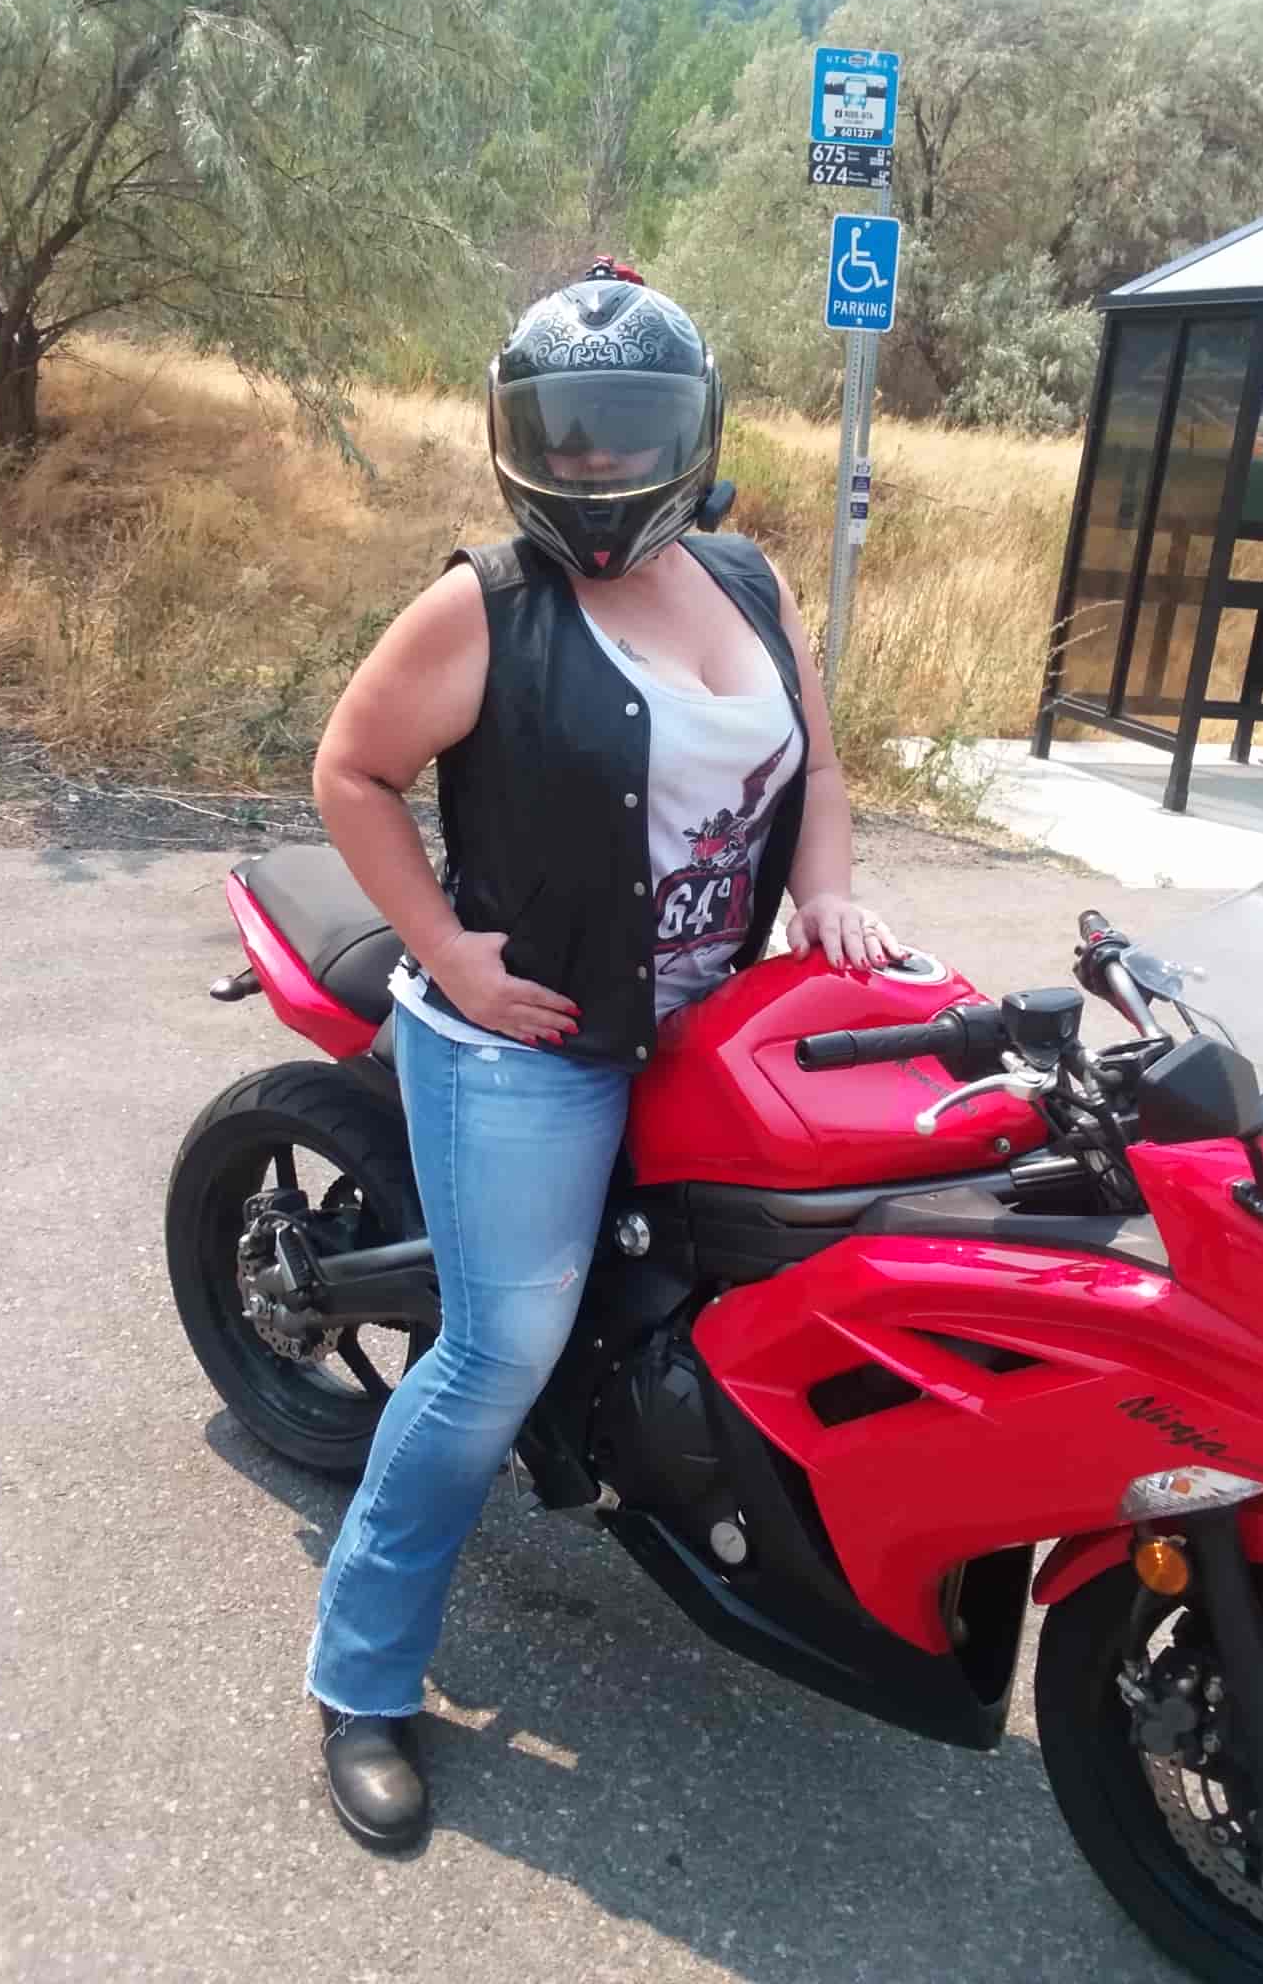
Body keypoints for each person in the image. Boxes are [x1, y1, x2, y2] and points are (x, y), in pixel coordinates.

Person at [305, 262, 906, 1850]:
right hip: (537, 1038)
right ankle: (362, 1676)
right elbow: (352, 770)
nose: (588, 463)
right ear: (517, 439)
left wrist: (829, 894)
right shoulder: (484, 606)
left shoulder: (755, 584)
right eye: (558, 433)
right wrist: (447, 955)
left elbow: (822, 769)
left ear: (693, 434)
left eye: (620, 431)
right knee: (496, 1352)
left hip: (717, 1020)